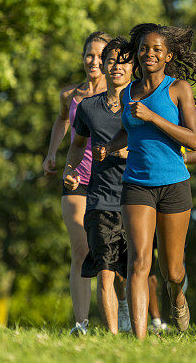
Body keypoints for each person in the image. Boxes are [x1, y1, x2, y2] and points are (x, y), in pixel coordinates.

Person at [94, 23, 196, 339]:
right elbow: (129, 130)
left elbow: (194, 140)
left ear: (168, 55)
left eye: (157, 49)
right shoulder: (129, 91)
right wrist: (109, 146)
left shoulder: (178, 88)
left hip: (173, 184)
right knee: (139, 262)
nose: (150, 54)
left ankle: (178, 295)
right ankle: (139, 342)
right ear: (137, 54)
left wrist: (154, 116)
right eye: (144, 48)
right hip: (136, 184)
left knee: (172, 270)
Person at [42, 31, 112, 335]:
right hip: (78, 179)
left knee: (115, 255)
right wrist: (51, 155)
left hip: (114, 180)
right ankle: (81, 324)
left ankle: (122, 315)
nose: (94, 61)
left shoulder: (123, 93)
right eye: (89, 55)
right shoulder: (70, 95)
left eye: (101, 56)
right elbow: (61, 121)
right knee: (81, 249)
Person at [63, 37, 132, 334]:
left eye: (121, 61)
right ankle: (96, 328)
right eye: (109, 61)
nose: (114, 66)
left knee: (130, 270)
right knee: (98, 262)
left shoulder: (141, 103)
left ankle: (130, 307)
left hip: (134, 193)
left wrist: (121, 152)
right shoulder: (84, 105)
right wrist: (69, 168)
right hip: (96, 194)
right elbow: (75, 142)